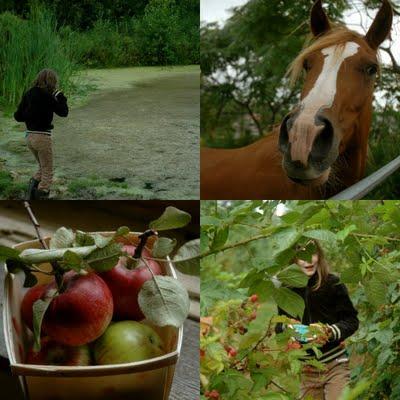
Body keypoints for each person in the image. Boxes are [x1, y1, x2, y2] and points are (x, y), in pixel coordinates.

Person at [276, 239, 359, 400]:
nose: (308, 259)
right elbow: (280, 327)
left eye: (312, 253)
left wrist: (330, 331)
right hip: (307, 369)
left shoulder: (333, 283)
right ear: (292, 259)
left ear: (319, 255)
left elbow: (351, 320)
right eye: (302, 254)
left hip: (336, 363)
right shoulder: (287, 290)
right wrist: (290, 329)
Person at [14, 69, 69, 199]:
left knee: (42, 167)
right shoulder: (48, 96)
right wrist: (60, 97)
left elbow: (17, 116)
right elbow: (63, 112)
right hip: (42, 137)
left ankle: (29, 196)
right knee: (48, 172)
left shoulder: (28, 93)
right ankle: (41, 199)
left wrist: (31, 115)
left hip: (29, 137)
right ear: (52, 82)